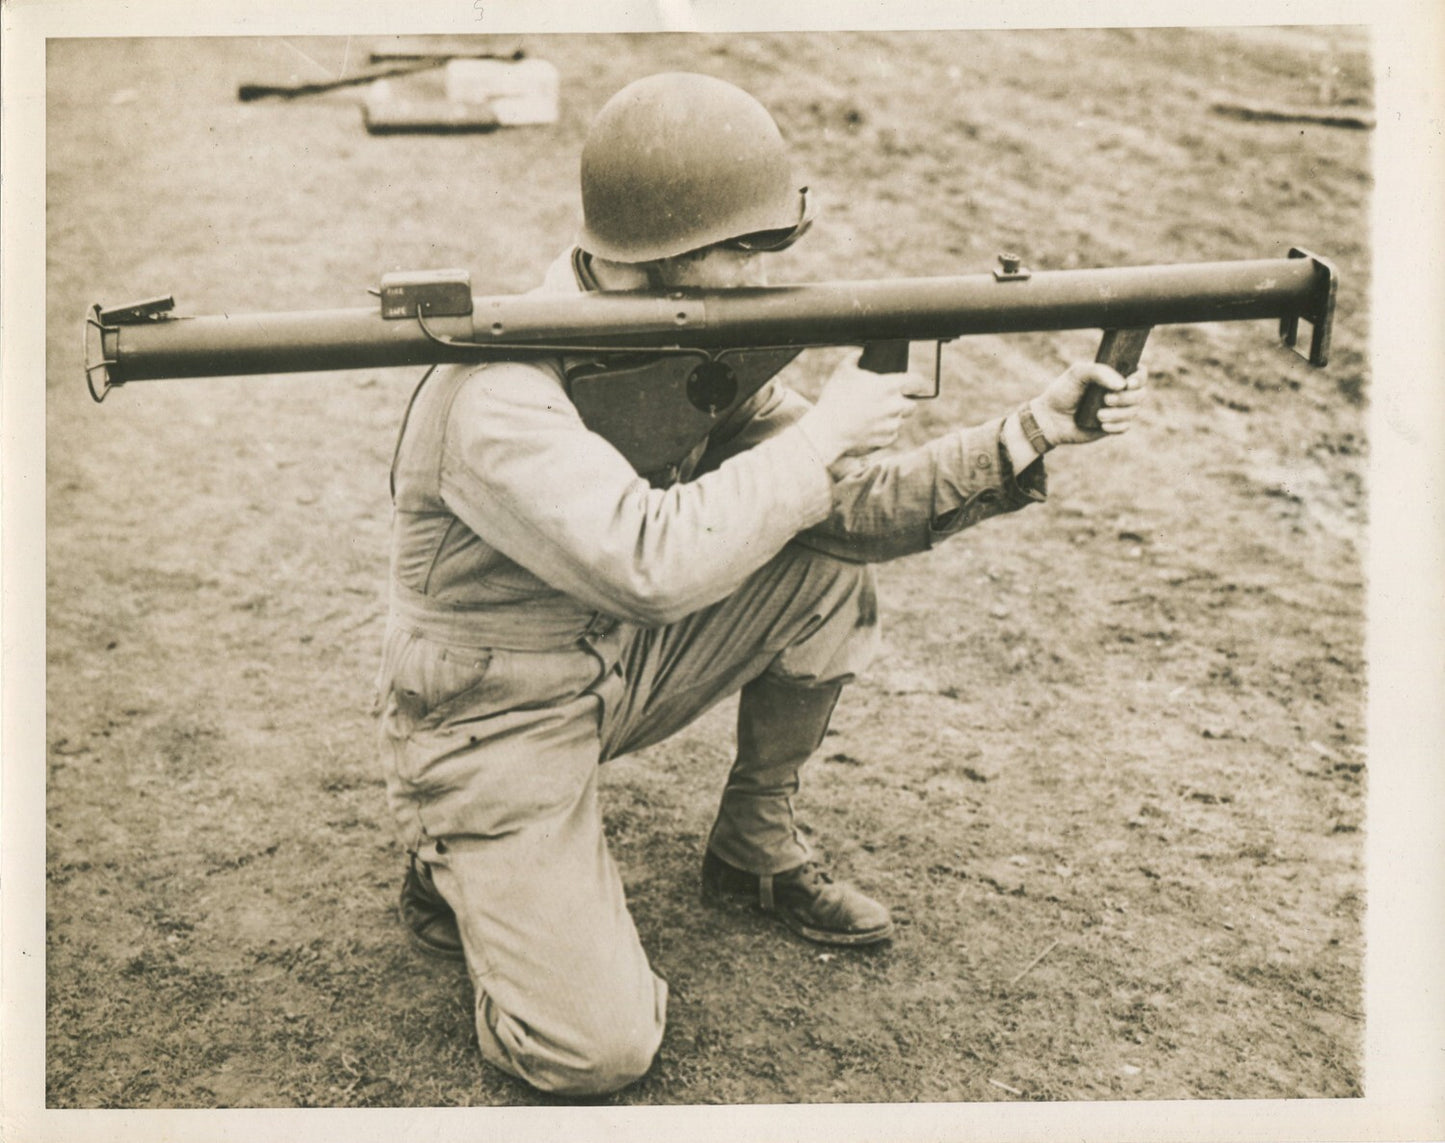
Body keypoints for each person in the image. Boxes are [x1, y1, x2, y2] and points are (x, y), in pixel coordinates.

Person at [376, 71, 1148, 1096]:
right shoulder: (499, 390)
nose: (763, 273)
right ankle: (459, 868)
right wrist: (821, 433)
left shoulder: (674, 337)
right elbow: (647, 562)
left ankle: (752, 847)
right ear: (661, 244)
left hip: (614, 669)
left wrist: (1032, 429)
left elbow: (850, 511)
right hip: (492, 719)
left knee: (819, 569)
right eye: (747, 247)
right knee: (593, 1052)